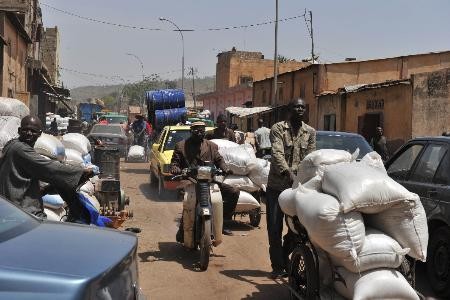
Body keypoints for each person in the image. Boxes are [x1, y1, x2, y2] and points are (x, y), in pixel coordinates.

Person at [0, 115, 93, 219]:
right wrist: (80, 172)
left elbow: (36, 170)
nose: (29, 133)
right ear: (19, 130)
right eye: (25, 130)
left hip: (14, 206)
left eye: (33, 131)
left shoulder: (13, 144)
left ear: (39, 134)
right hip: (24, 211)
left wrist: (44, 189)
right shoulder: (21, 149)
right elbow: (47, 167)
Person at [266, 98, 316, 279]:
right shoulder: (278, 129)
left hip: (298, 189)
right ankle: (277, 266)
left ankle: (287, 257)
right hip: (277, 187)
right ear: (289, 109)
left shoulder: (310, 132)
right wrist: (288, 174)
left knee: (297, 229)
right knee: (274, 227)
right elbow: (277, 154)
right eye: (297, 106)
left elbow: (311, 158)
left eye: (303, 106)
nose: (300, 109)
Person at [170, 121, 240, 241]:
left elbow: (219, 160)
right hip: (190, 181)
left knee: (233, 192)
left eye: (202, 130)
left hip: (209, 181)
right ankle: (183, 231)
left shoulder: (211, 146)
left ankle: (222, 221)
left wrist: (226, 168)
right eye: (196, 129)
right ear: (191, 131)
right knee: (189, 203)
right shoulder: (181, 146)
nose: (199, 132)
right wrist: (175, 168)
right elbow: (174, 163)